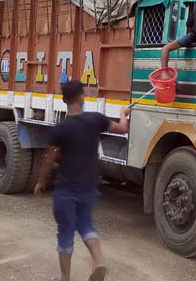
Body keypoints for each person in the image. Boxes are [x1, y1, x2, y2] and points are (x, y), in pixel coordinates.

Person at [34, 80, 130, 281]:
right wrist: (123, 114)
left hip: (66, 192)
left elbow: (49, 159)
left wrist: (41, 182)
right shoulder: (95, 119)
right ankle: (98, 262)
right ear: (80, 97)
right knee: (86, 225)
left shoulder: (60, 129)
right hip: (88, 188)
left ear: (65, 100)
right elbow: (122, 129)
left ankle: (65, 277)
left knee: (65, 234)